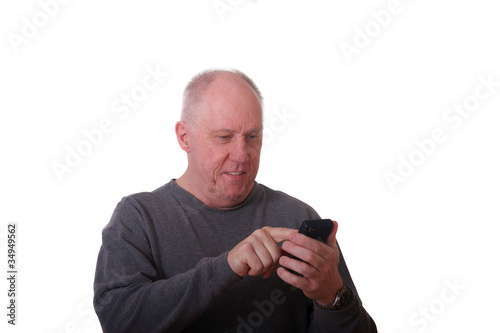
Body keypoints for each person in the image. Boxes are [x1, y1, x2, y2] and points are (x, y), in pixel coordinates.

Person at [93, 69, 377, 332]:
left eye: (252, 136)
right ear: (184, 137)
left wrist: (332, 297)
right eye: (224, 137)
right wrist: (227, 266)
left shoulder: (297, 215)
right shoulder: (138, 218)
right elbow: (120, 322)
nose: (242, 155)